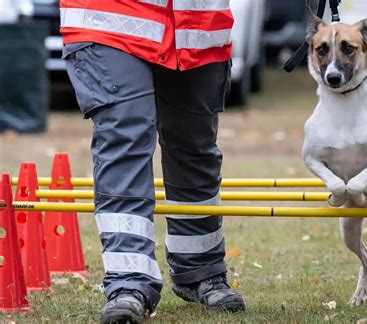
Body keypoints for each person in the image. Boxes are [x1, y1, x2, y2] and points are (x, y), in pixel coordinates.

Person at [60, 1, 245, 322]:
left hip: (197, 29)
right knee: (125, 141)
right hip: (112, 21)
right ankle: (128, 282)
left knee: (195, 148)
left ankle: (200, 270)